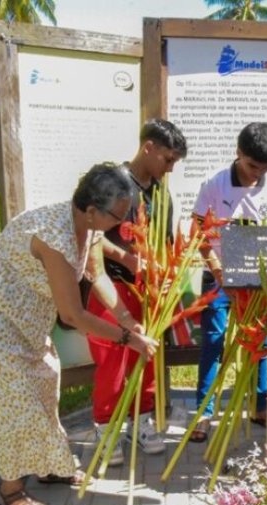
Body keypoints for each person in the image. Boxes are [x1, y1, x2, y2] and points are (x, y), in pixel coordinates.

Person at [0, 164, 158, 505]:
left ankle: (48, 464)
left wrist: (127, 319)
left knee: (45, 381)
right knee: (15, 397)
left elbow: (97, 275)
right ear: (92, 209)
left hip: (20, 312)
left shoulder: (88, 226)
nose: (120, 225)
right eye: (117, 216)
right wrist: (128, 339)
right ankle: (10, 490)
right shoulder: (55, 236)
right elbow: (75, 315)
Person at [85, 119, 187, 461]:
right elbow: (92, 235)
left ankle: (141, 422)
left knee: (147, 355)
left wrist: (168, 274)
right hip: (111, 285)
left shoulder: (161, 191)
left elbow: (167, 242)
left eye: (175, 162)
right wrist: (127, 259)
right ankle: (106, 428)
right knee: (112, 361)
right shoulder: (113, 183)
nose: (170, 167)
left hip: (149, 290)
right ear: (149, 148)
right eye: (168, 159)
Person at [190, 122, 267, 442]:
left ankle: (260, 405)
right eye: (251, 166)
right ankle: (204, 412)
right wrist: (220, 273)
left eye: (263, 168)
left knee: (259, 342)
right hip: (219, 276)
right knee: (215, 340)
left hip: (257, 280)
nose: (255, 174)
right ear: (238, 153)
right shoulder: (214, 183)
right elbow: (200, 234)